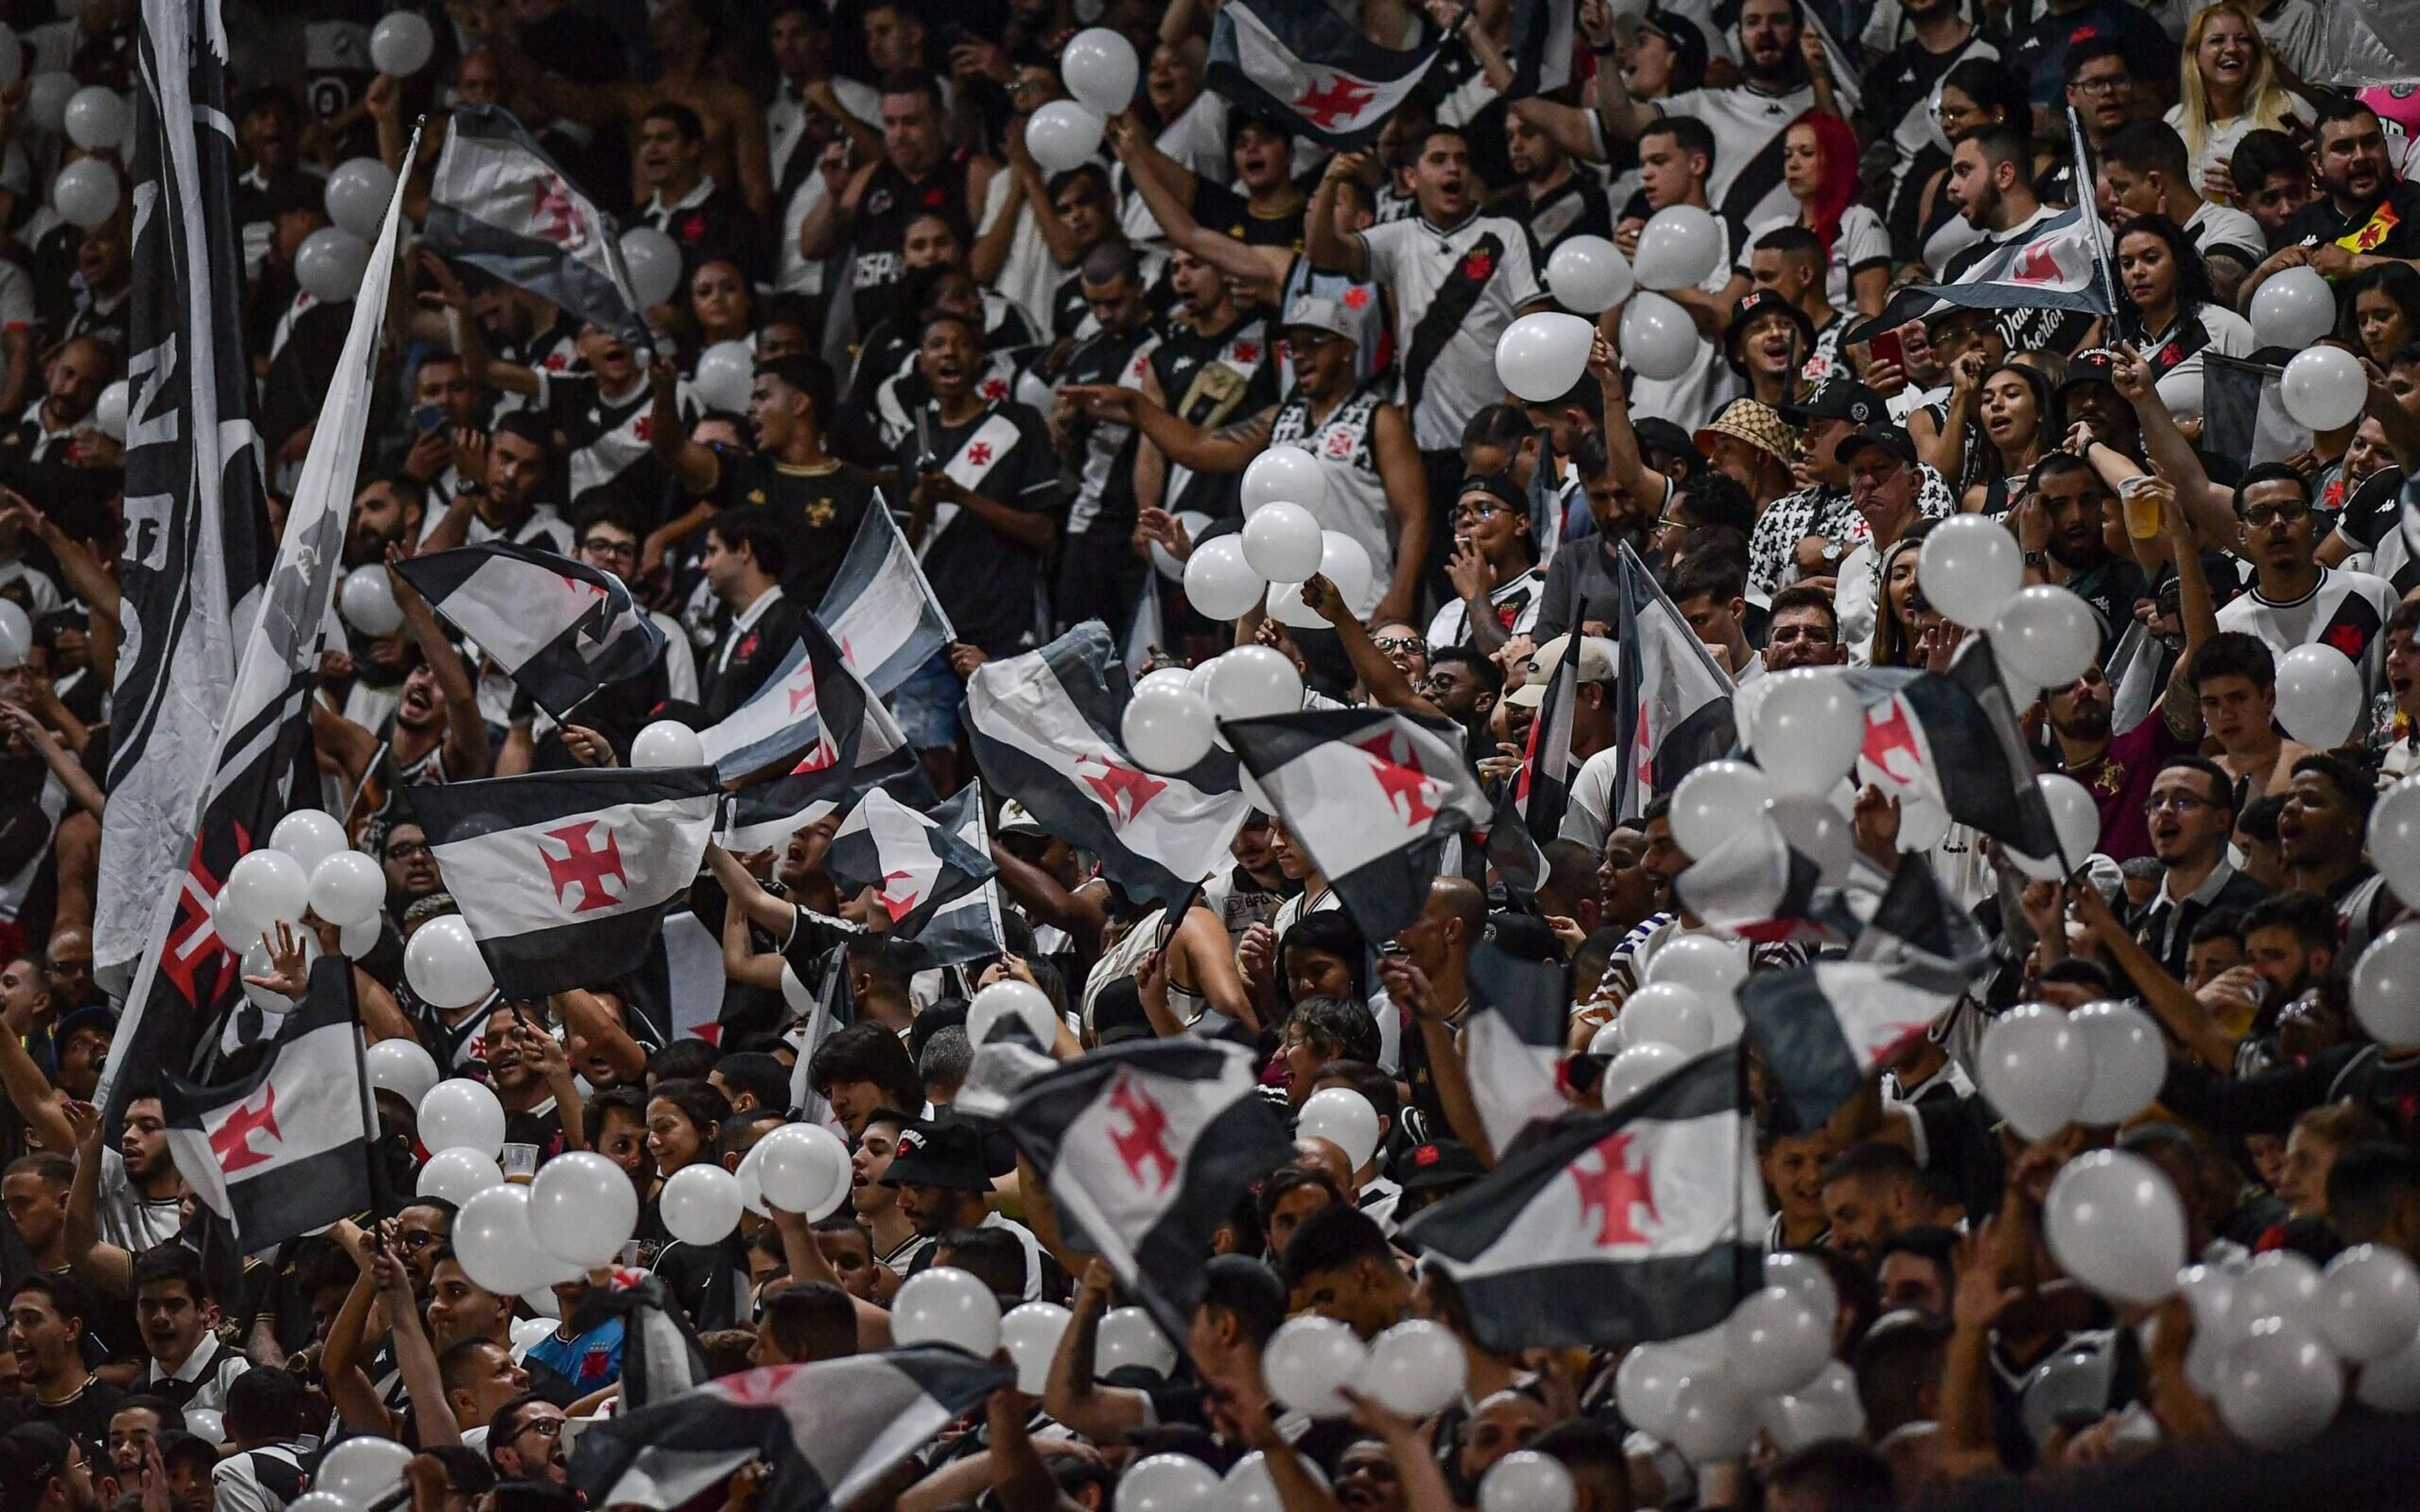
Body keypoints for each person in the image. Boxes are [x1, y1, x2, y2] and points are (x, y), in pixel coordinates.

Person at [1072, 297, 1429, 624]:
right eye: (1293, 347)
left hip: (1361, 603)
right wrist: (1137, 406)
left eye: (1313, 343)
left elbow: (1414, 515)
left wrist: (1401, 595)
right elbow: (1198, 447)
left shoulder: (1379, 420)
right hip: (1288, 610)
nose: (1299, 355)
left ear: (1348, 348)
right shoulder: (1280, 419)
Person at [1308, 126, 1545, 596]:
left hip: (1499, 446)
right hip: (1430, 447)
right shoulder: (1399, 240)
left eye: (1460, 158)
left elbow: (1533, 325)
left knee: (1513, 570)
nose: (1453, 168)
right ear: (1412, 177)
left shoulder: (1503, 233)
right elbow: (1324, 252)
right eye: (1438, 159)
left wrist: (1511, 421)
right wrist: (1330, 183)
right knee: (1446, 578)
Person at [2216, 464, 2400, 699]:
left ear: (2313, 524)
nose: (2277, 523)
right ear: (2241, 533)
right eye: (2260, 515)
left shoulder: (2373, 596)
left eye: (2292, 510)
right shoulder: (2226, 629)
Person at [2097, 121, 2268, 306]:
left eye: (2121, 188)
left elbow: (2219, 291)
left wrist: (2162, 238)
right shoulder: (2127, 248)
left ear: (2156, 183)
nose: (2114, 200)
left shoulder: (2233, 226)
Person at [2136, 755, 2272, 978]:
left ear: (2221, 820)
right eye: (2156, 803)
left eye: (2184, 801)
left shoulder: (2258, 911)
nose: (2165, 811)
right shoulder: (2140, 921)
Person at [2164, 2, 2307, 203]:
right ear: (2195, 56)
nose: (2232, 49)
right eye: (2217, 41)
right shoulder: (2175, 122)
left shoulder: (2289, 108)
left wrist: (2249, 189)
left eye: (2243, 40)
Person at [696, 510, 804, 722]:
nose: (704, 565)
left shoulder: (790, 626)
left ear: (744, 550)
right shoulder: (728, 634)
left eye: (713, 551)